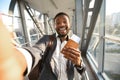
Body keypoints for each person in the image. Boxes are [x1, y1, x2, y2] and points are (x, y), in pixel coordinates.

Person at [0, 12, 85, 80]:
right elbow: (36, 50)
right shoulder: (47, 39)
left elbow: (82, 70)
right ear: (55, 26)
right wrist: (19, 60)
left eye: (64, 22)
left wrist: (79, 64)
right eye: (58, 23)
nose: (61, 24)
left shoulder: (74, 43)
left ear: (69, 24)